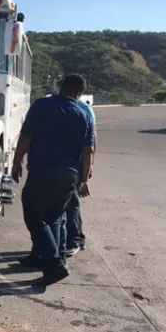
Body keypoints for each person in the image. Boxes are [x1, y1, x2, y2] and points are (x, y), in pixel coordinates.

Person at [11, 74, 94, 288]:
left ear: (60, 87)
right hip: (70, 174)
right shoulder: (83, 113)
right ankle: (50, 261)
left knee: (35, 216)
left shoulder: (43, 105)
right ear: (79, 93)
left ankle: (54, 265)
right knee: (54, 218)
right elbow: (88, 150)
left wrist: (17, 161)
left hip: (43, 170)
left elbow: (26, 135)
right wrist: (83, 179)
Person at [64, 98, 96, 256]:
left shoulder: (85, 109)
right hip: (67, 163)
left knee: (71, 204)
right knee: (69, 203)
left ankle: (75, 240)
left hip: (75, 163)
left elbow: (92, 142)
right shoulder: (62, 107)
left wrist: (87, 170)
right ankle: (76, 238)